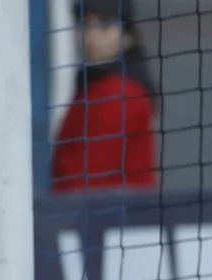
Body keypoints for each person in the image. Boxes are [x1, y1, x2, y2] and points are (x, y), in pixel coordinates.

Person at [52, 0, 157, 193]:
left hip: (114, 218)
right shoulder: (91, 87)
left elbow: (82, 183)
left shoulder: (121, 93)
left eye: (104, 24)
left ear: (127, 35)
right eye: (84, 23)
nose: (91, 35)